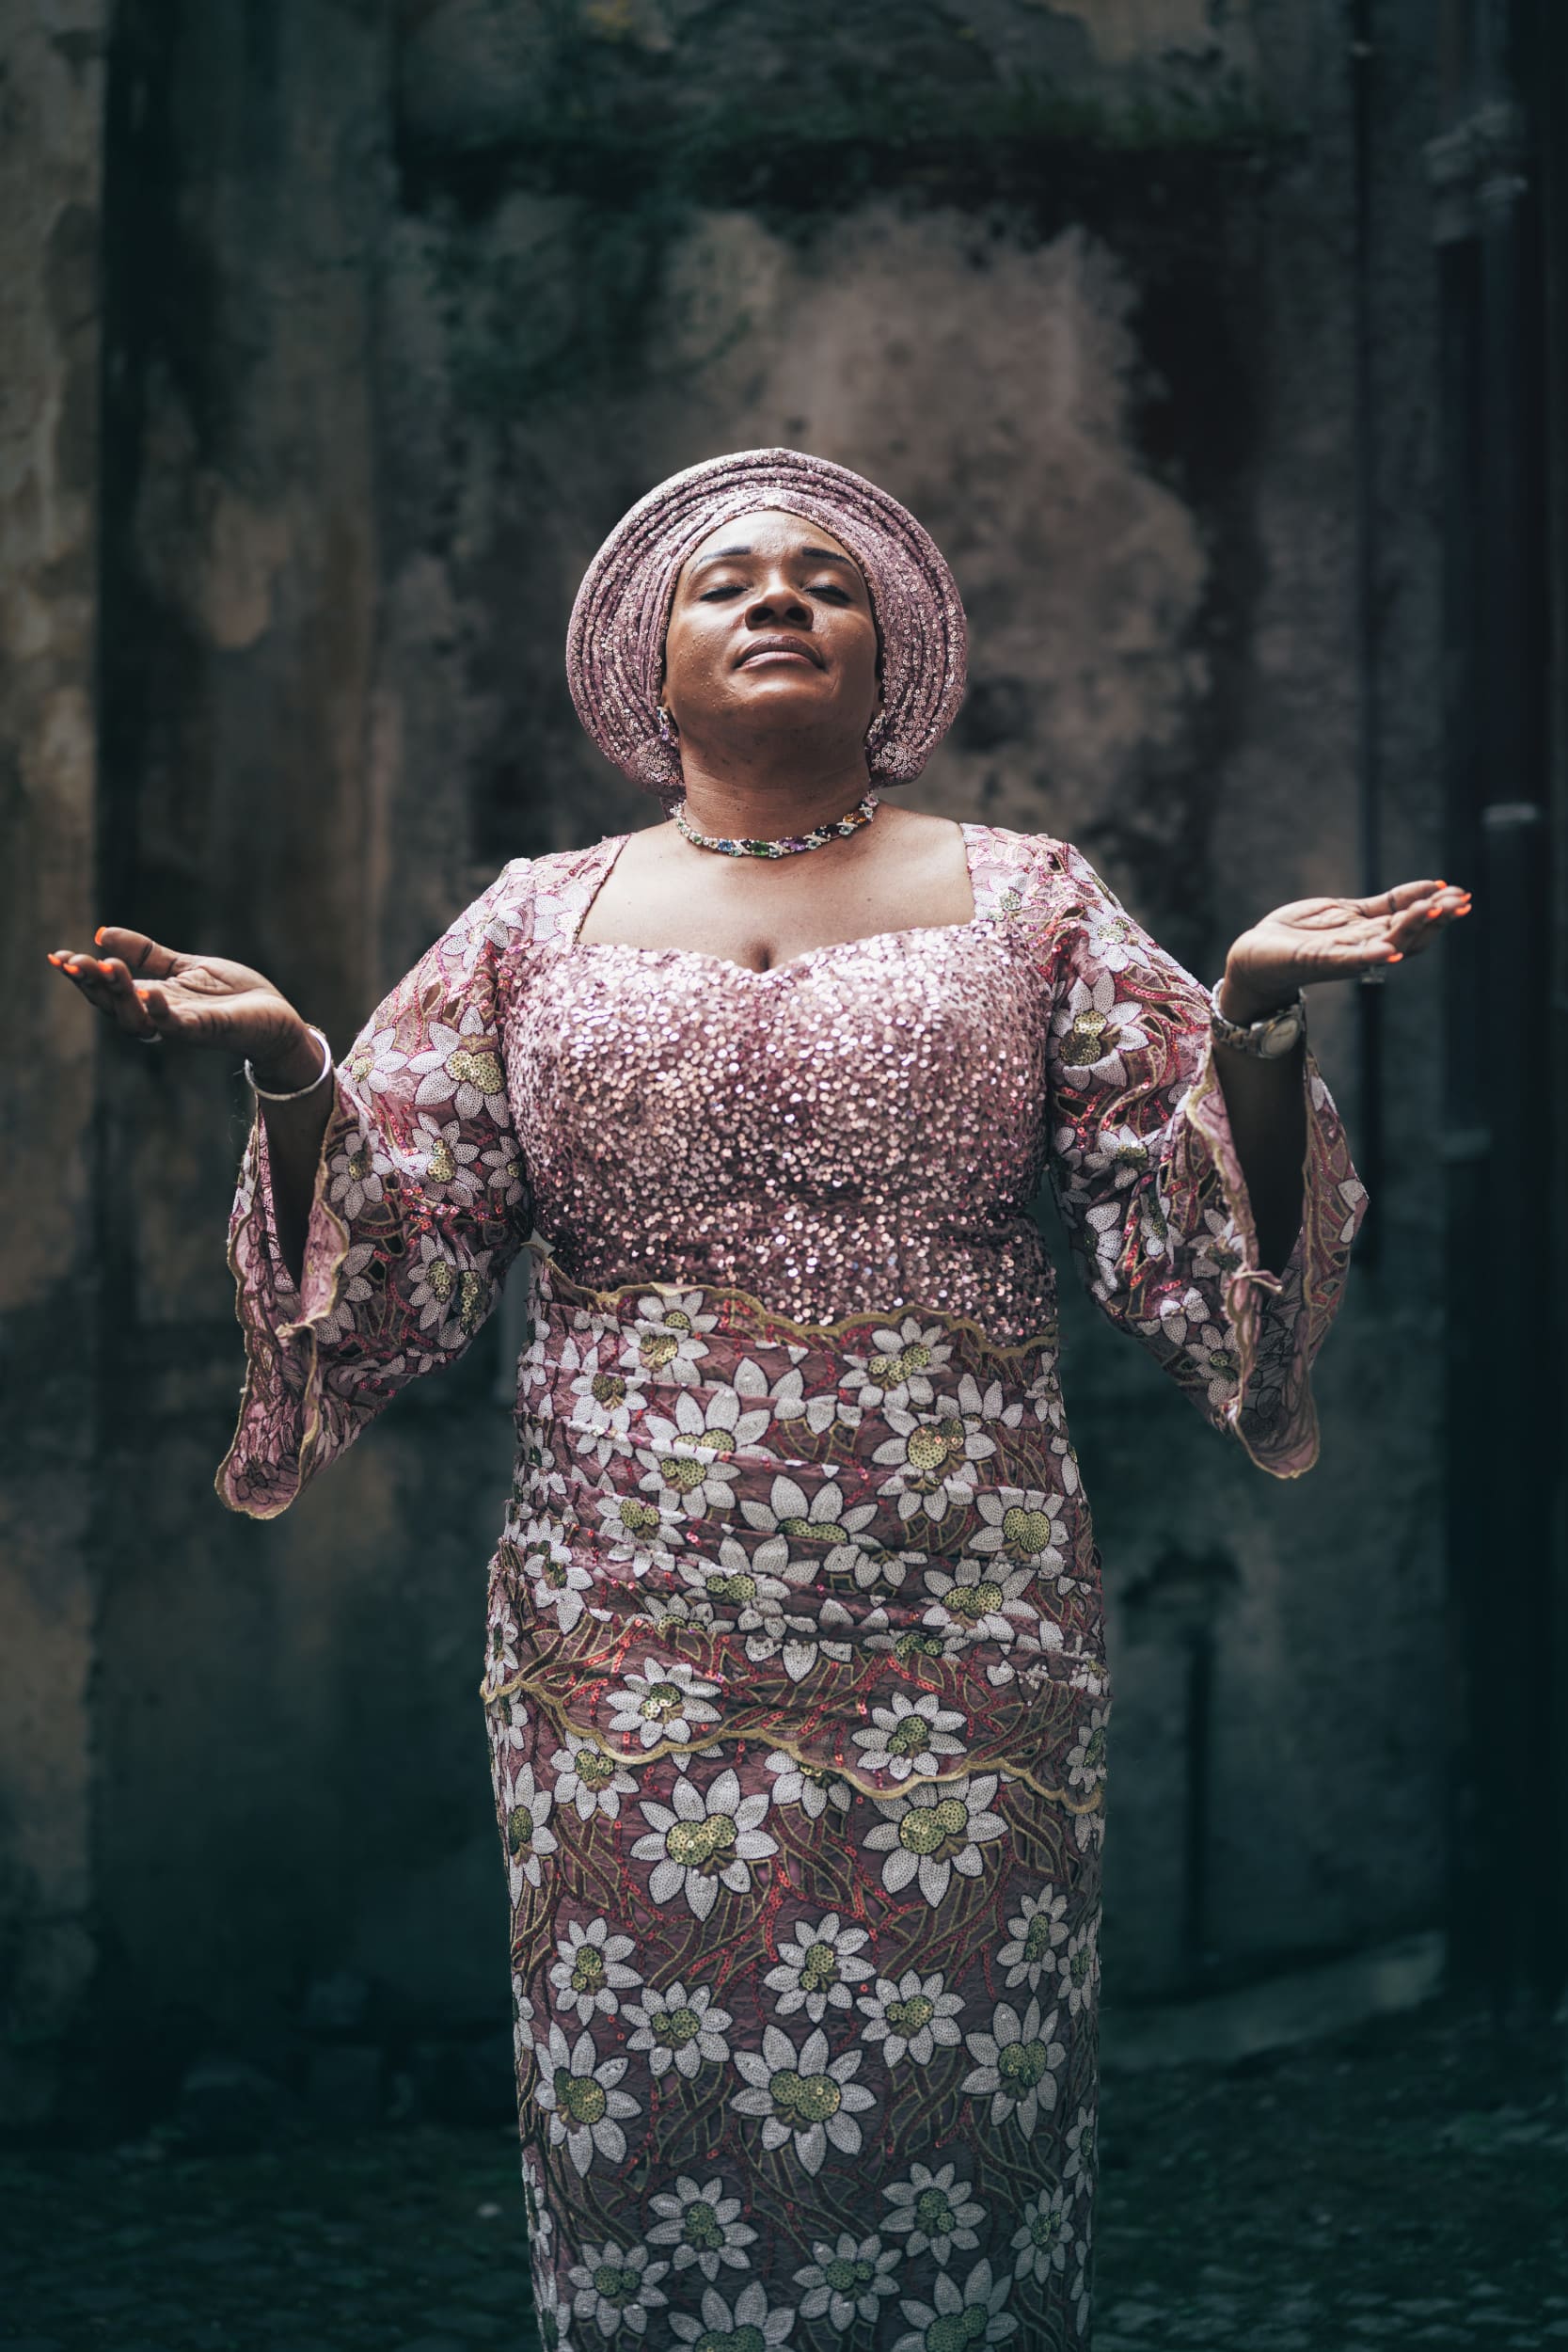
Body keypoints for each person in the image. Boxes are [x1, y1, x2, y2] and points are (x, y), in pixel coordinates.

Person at [51, 449, 1467, 2350]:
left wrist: (1257, 1025)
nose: (780, 596)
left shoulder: (1033, 900)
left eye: (828, 577)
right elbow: (398, 1251)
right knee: (648, 2152)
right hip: (623, 1644)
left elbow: (1184, 1229)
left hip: (964, 1635)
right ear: (649, 663)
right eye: (727, 582)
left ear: (893, 654)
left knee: (959, 2151)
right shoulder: (528, 923)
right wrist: (297, 1069)